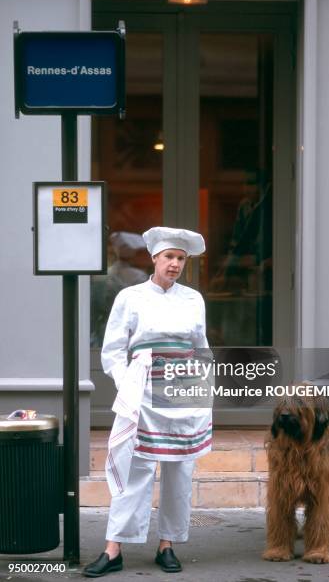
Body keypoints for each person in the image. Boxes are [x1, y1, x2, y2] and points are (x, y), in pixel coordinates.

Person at [83, 226, 212, 578]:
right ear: (154, 258)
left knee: (179, 471)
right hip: (142, 390)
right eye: (169, 257)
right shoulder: (131, 297)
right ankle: (114, 548)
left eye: (181, 259)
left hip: (183, 391)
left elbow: (201, 348)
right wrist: (128, 387)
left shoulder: (193, 299)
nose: (174, 264)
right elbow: (112, 351)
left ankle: (167, 544)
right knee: (133, 467)